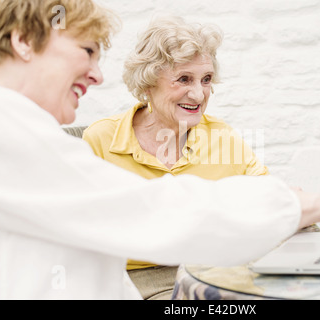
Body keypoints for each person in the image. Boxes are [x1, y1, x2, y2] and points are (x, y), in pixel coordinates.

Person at [0, 0, 320, 300]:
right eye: (87, 51)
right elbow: (153, 213)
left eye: (206, 80)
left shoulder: (23, 131)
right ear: (24, 41)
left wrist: (307, 210)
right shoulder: (0, 134)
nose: (97, 74)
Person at [82, 16, 268, 300]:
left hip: (212, 273)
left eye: (206, 80)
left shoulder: (222, 136)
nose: (198, 94)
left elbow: (265, 198)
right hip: (136, 282)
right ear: (148, 83)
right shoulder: (101, 140)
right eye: (184, 79)